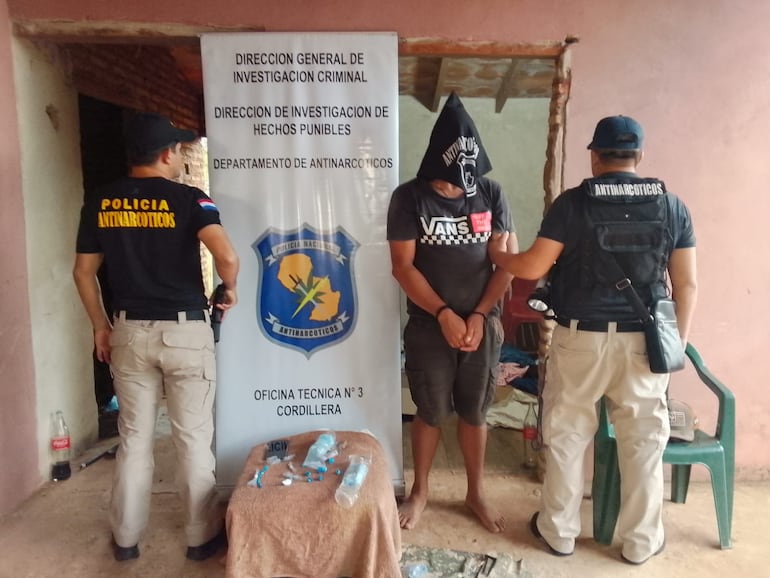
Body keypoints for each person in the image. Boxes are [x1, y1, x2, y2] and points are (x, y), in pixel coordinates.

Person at [489, 115, 697, 564]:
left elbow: (533, 267)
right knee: (643, 444)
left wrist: (498, 254)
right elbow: (687, 285)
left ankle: (559, 532)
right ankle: (641, 542)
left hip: (580, 339)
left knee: (566, 437)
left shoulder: (572, 204)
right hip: (645, 342)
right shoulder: (672, 207)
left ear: (595, 157)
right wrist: (674, 345)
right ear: (639, 156)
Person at [73, 112, 239, 562]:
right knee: (192, 440)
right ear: (166, 154)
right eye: (179, 150)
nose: (181, 157)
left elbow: (83, 272)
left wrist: (100, 325)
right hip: (185, 332)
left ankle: (126, 538)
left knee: (134, 439)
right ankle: (200, 538)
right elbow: (226, 256)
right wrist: (229, 289)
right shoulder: (190, 199)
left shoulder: (101, 201)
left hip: (128, 333)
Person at [387, 93, 516, 533]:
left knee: (476, 411)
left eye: (463, 185)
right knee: (429, 410)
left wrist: (479, 315)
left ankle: (475, 492)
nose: (455, 192)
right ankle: (420, 491)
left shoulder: (491, 194)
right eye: (446, 185)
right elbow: (403, 267)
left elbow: (505, 264)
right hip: (429, 324)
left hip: (482, 324)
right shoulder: (408, 198)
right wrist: (443, 313)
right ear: (431, 171)